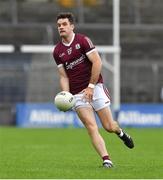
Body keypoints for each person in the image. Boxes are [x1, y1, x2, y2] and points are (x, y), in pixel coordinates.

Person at [53, 12, 134, 168]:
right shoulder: (57, 51)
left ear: (72, 26)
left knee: (109, 126)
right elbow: (63, 76)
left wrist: (90, 86)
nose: (61, 27)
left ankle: (121, 133)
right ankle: (106, 159)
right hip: (78, 95)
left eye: (64, 24)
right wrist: (66, 95)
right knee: (91, 127)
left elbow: (97, 62)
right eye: (58, 25)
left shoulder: (83, 41)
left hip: (95, 87)